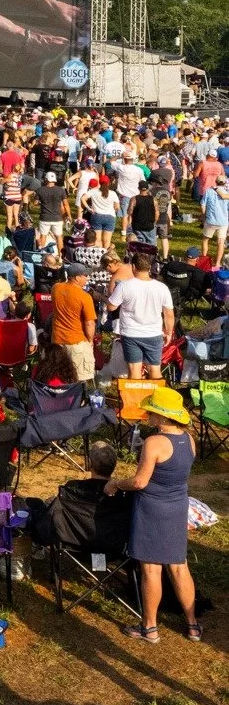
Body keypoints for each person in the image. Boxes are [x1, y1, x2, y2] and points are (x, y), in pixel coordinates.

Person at [106, 388, 201, 644]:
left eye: (151, 411)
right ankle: (193, 625)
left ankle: (150, 627)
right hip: (177, 506)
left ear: (161, 416)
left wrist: (115, 483)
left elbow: (139, 481)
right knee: (179, 566)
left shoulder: (155, 443)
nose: (147, 414)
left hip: (153, 509)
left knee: (151, 569)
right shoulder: (189, 439)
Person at [106, 255, 174, 380]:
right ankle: (157, 397)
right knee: (155, 369)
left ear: (133, 267)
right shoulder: (162, 288)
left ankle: (135, 398)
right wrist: (169, 333)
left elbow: (111, 307)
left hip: (131, 334)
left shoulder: (124, 286)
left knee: (134, 370)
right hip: (154, 334)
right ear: (149, 268)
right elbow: (169, 314)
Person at [50, 260, 97, 382]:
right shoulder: (85, 297)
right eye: (85, 275)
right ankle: (78, 399)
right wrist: (90, 341)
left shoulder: (56, 288)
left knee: (61, 376)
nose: (87, 278)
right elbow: (89, 323)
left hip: (58, 340)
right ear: (77, 277)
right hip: (77, 342)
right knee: (79, 378)